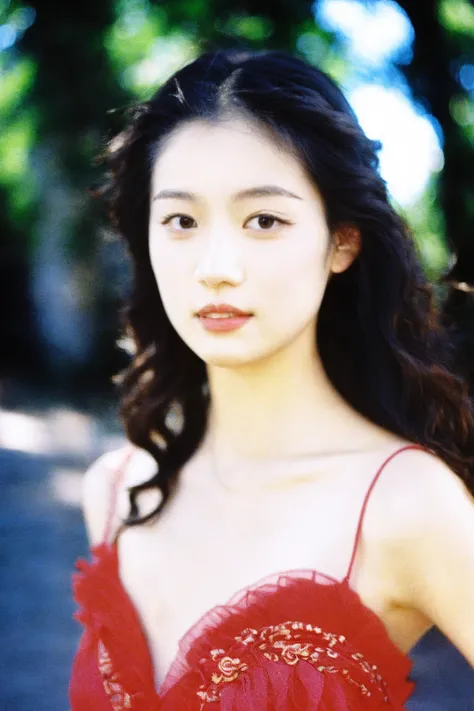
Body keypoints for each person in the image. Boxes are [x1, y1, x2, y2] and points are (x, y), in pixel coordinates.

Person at [69, 48, 474, 710]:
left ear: (342, 241)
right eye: (181, 221)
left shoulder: (403, 504)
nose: (216, 267)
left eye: (264, 219)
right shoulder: (115, 490)